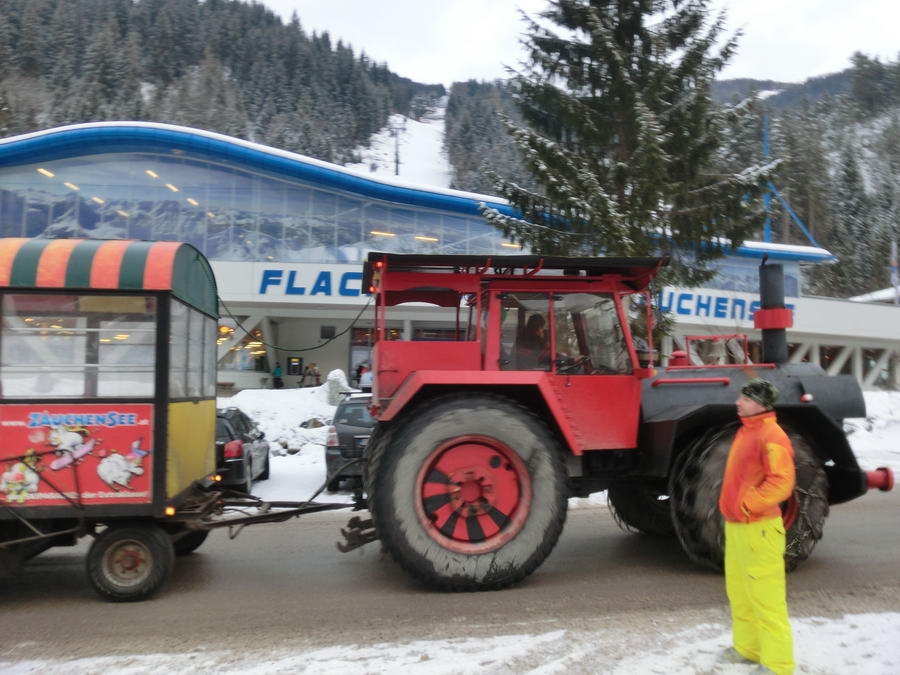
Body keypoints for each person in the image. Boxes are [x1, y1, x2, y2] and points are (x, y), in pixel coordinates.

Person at [718, 378, 796, 675]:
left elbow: (782, 482)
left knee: (766, 598)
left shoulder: (772, 435)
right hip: (738, 527)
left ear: (761, 405)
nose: (738, 402)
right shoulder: (747, 430)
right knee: (740, 593)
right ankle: (748, 649)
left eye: (746, 399)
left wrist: (748, 504)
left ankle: (778, 665)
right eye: (741, 397)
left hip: (760, 528)